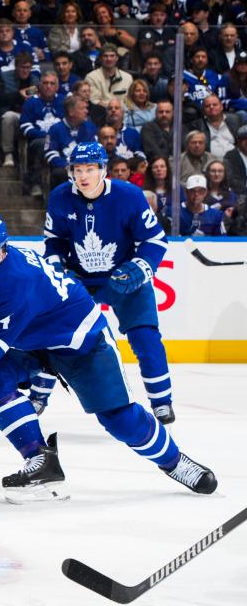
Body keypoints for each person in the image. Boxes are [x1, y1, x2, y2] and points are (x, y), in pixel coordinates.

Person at [0, 211, 217, 501]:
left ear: (1, 254)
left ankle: (175, 462)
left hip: (81, 341)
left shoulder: (14, 280)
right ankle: (40, 459)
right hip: (31, 341)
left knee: (119, 419)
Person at [44, 142, 177, 423]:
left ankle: (161, 400)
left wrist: (140, 268)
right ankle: (37, 395)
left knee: (146, 337)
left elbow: (154, 240)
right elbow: (54, 240)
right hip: (79, 281)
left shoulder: (129, 195)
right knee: (54, 335)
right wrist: (58, 267)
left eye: (90, 169)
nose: (83, 176)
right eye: (77, 169)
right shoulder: (59, 197)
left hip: (124, 277)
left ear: (102, 170)